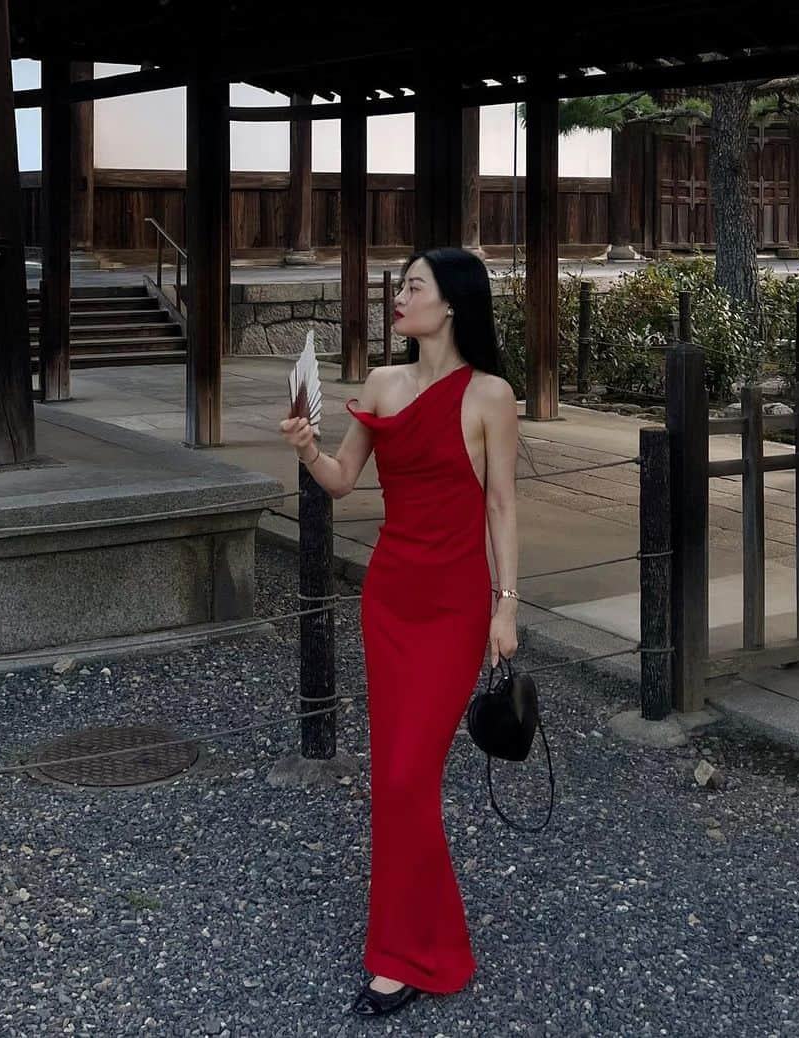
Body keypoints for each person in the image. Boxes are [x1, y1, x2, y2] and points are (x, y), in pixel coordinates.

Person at [279, 246, 520, 1019]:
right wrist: (309, 449)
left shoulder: (491, 396)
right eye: (402, 285)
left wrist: (506, 606)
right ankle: (410, 948)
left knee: (412, 778)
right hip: (389, 601)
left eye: (413, 286)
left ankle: (415, 948)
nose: (400, 296)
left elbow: (502, 508)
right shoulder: (383, 385)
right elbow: (345, 481)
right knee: (393, 780)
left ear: (450, 304)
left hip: (454, 609)